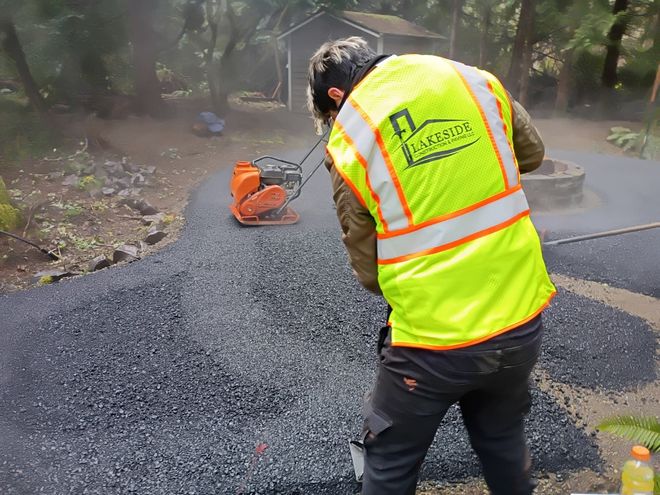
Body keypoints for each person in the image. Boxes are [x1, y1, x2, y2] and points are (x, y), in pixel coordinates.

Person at [306, 37, 556, 495]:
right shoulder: (469, 77)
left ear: (336, 96)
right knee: (501, 437)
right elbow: (531, 154)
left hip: (431, 345)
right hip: (521, 319)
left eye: (329, 113)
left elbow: (368, 271)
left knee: (390, 459)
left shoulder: (351, 136)